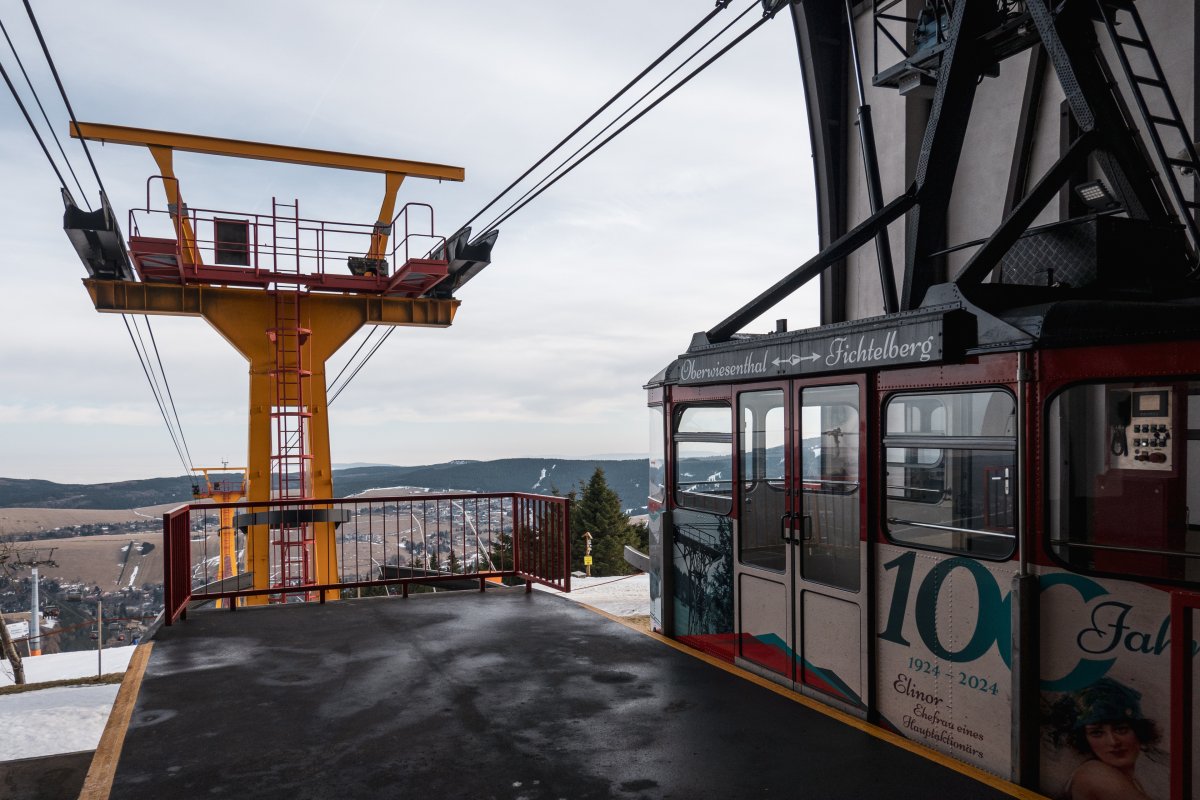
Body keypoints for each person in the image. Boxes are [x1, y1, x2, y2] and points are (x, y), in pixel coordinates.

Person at [1045, 678, 1161, 800]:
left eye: (1121, 729)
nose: (1113, 742)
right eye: (1097, 733)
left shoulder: (1132, 781)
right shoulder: (1095, 774)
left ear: (1138, 732)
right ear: (1085, 740)